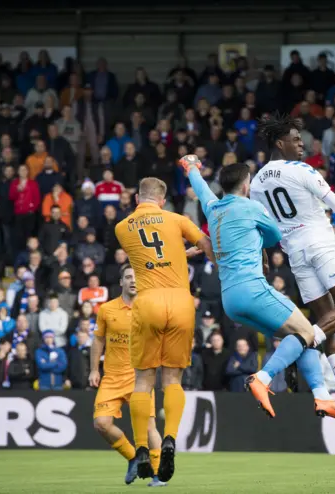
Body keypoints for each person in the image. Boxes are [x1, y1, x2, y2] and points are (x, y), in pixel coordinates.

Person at [248, 113, 335, 423]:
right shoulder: (299, 170)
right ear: (280, 143)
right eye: (296, 141)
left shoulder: (256, 183)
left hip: (295, 255)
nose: (302, 146)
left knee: (327, 321)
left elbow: (261, 225)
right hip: (321, 245)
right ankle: (292, 353)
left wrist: (265, 255)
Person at [114, 176, 214, 483]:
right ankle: (169, 438)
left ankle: (142, 448)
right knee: (173, 377)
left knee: (144, 380)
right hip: (181, 303)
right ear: (162, 200)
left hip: (148, 303)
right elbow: (208, 249)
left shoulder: (122, 227)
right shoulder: (178, 219)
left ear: (137, 200)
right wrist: (192, 253)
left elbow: (148, 258)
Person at [89, 264, 166, 487]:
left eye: (137, 277)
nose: (133, 280)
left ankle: (157, 475)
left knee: (149, 427)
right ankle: (134, 457)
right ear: (121, 282)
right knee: (101, 423)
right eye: (129, 277)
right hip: (112, 377)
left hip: (140, 378)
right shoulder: (107, 310)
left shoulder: (150, 310)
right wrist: (94, 369)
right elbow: (98, 340)